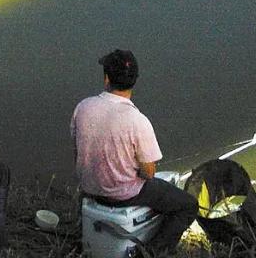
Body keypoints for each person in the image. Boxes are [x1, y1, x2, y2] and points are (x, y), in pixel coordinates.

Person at [70, 49, 197, 253]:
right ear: (134, 81)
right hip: (125, 194)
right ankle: (151, 252)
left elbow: (77, 151)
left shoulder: (83, 107)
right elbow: (149, 173)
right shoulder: (138, 121)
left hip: (89, 188)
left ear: (106, 79)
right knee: (188, 205)